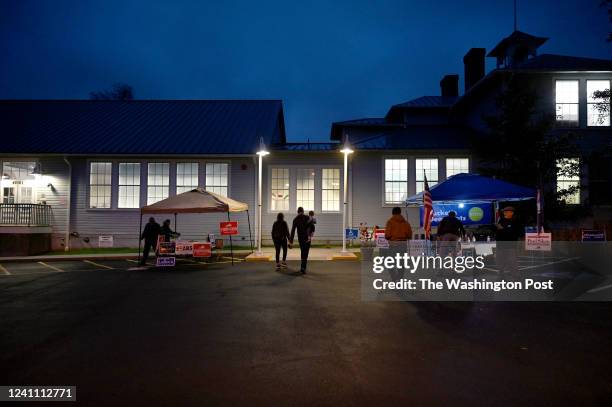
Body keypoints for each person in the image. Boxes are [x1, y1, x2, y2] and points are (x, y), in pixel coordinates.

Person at [495, 206, 523, 276]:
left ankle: (515, 273)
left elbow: (515, 232)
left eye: (507, 212)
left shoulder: (515, 221)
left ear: (512, 213)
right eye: (504, 212)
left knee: (512, 259)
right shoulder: (501, 220)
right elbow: (498, 231)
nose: (505, 213)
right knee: (500, 258)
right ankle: (501, 271)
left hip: (510, 244)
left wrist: (502, 229)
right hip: (500, 244)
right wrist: (496, 228)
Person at [290, 207, 313, 274]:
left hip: (301, 238)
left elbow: (293, 231)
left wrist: (291, 241)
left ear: (298, 211)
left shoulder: (295, 219)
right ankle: (303, 267)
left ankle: (303, 268)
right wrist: (311, 233)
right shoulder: (307, 217)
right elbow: (312, 225)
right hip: (308, 238)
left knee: (303, 252)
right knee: (306, 253)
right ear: (303, 211)